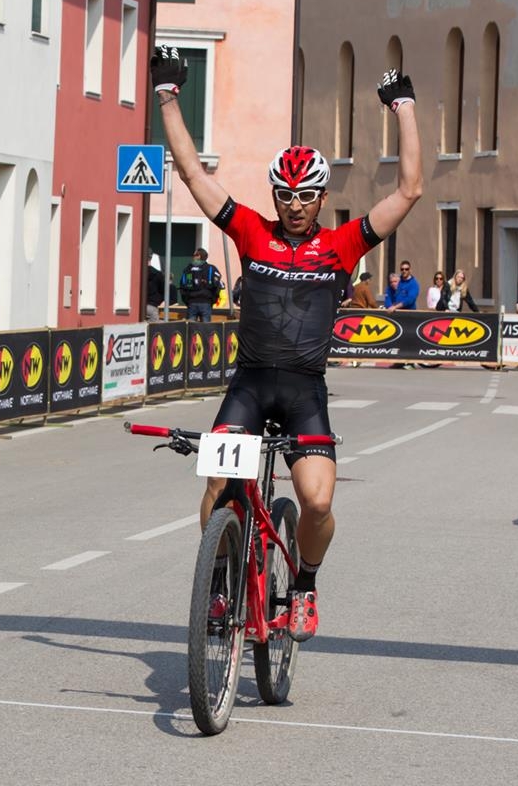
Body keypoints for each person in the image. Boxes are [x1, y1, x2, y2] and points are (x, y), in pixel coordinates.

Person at [151, 46, 422, 642]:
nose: (294, 206)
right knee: (218, 487)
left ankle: (304, 583)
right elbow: (194, 173)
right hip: (248, 385)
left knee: (318, 503)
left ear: (322, 199)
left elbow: (408, 190)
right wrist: (168, 97)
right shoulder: (251, 231)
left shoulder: (344, 245)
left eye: (305, 197)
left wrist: (402, 107)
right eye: (285, 194)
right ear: (274, 195)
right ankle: (219, 585)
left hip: (303, 391)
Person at [178, 248, 222, 322]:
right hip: (204, 303)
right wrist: (212, 301)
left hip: (195, 303)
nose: (193, 256)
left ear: (199, 256)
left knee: (191, 329)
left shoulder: (188, 269)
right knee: (205, 330)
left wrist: (187, 301)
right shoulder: (211, 268)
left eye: (195, 255)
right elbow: (217, 287)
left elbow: (183, 288)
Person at [145, 250, 165, 321]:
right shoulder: (158, 274)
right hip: (152, 306)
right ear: (151, 258)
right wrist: (159, 300)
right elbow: (163, 290)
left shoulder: (138, 272)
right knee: (152, 331)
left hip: (139, 308)